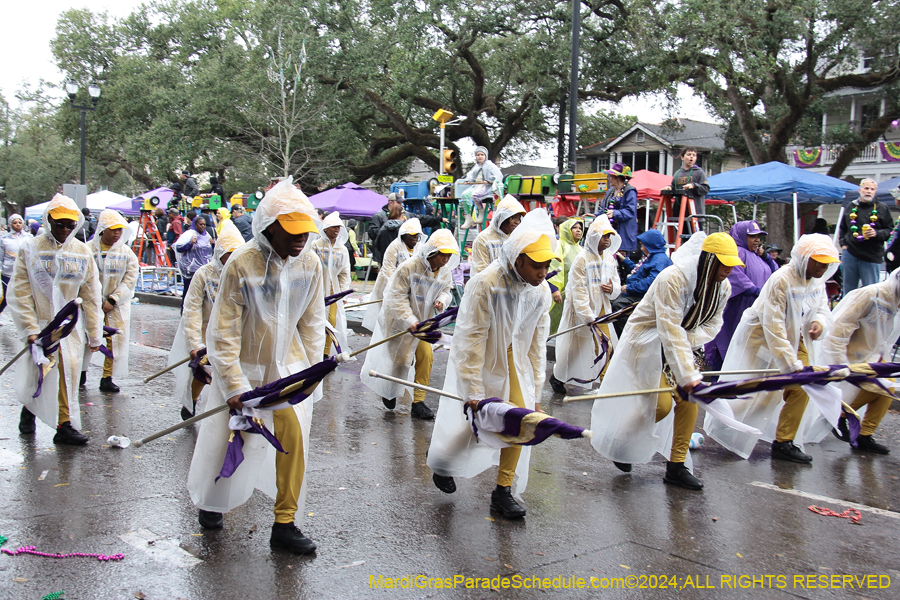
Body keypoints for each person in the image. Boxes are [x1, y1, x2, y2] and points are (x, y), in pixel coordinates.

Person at [186, 177, 325, 554]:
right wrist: (233, 385)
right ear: (268, 228)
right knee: (231, 441)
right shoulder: (242, 264)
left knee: (293, 442)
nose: (300, 238)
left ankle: (285, 522)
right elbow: (223, 331)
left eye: (305, 231)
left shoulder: (310, 263)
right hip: (245, 369)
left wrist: (312, 376)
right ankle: (213, 501)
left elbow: (313, 323)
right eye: (291, 231)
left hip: (291, 369)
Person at [427, 209, 557, 519]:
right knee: (476, 425)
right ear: (518, 259)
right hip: (483, 359)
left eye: (547, 265)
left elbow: (537, 345)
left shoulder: (540, 294)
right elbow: (469, 340)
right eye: (536, 266)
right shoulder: (486, 284)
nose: (543, 273)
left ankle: (503, 491)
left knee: (521, 420)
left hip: (516, 360)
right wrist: (472, 388)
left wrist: (536, 387)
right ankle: (445, 463)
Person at [590, 232, 742, 490]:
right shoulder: (674, 279)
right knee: (659, 405)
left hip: (683, 346)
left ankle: (677, 465)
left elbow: (713, 323)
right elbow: (670, 329)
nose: (728, 270)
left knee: (689, 401)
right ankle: (620, 443)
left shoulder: (723, 287)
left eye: (732, 264)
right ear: (708, 260)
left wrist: (689, 356)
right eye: (723, 263)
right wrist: (688, 374)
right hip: (648, 342)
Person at [704, 234, 840, 463]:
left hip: (796, 340)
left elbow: (822, 308)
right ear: (805, 259)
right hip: (763, 340)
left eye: (827, 262)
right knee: (757, 391)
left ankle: (785, 441)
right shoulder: (782, 280)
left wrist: (819, 322)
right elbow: (774, 327)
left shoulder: (816, 282)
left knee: (802, 387)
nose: (823, 267)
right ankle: (726, 424)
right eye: (818, 261)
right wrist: (790, 365)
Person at [8, 194, 103, 445]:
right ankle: (29, 410)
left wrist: (95, 332)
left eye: (69, 225)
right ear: (48, 220)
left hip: (68, 330)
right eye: (59, 224)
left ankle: (64, 424)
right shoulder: (30, 249)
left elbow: (91, 296)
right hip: (40, 325)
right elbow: (20, 291)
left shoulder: (82, 252)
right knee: (39, 374)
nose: (64, 229)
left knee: (66, 375)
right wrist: (29, 328)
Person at [360, 229, 459, 420]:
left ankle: (418, 401)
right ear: (432, 252)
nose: (445, 260)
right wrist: (409, 320)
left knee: (425, 355)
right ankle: (389, 390)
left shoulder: (444, 272)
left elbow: (447, 289)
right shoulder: (408, 268)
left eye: (449, 256)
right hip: (400, 323)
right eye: (442, 255)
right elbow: (396, 298)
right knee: (399, 360)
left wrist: (442, 300)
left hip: (423, 325)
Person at [168, 221, 245, 420]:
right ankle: (192, 401)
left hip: (236, 333)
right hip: (207, 332)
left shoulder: (246, 274)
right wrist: (195, 343)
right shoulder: (204, 274)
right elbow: (192, 308)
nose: (233, 259)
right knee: (202, 371)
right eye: (229, 254)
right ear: (219, 253)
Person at [819, 269, 900, 455]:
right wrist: (840, 362)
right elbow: (841, 325)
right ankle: (841, 413)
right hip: (850, 355)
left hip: (872, 355)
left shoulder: (895, 302)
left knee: (888, 388)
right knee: (883, 387)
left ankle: (864, 435)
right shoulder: (871, 295)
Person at [551, 215, 621, 394]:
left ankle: (606, 383)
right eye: (604, 236)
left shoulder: (610, 259)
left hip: (603, 310)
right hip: (582, 313)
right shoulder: (582, 259)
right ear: (595, 237)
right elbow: (578, 291)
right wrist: (588, 316)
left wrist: (612, 288)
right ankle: (558, 376)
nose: (607, 241)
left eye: (609, 237)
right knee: (574, 348)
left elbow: (616, 284)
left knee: (607, 345)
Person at [704, 221, 778, 371]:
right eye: (752, 236)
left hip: (756, 311)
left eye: (758, 236)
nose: (757, 240)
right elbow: (735, 276)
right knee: (731, 347)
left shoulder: (758, 256)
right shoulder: (737, 252)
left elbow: (776, 273)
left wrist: (767, 258)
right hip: (737, 310)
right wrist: (755, 290)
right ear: (742, 236)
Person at [82, 210, 139, 393]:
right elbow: (82, 278)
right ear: (103, 229)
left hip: (115, 305)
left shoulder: (126, 253)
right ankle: (81, 371)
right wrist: (94, 300)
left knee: (114, 340)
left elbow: (130, 278)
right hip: (90, 303)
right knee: (85, 337)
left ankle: (107, 377)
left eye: (119, 230)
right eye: (113, 229)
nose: (116, 233)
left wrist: (113, 299)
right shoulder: (87, 250)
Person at [362, 218, 423, 332]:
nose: (415, 237)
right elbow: (388, 271)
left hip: (411, 289)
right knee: (390, 320)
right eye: (412, 235)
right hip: (391, 288)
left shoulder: (419, 248)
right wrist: (398, 290)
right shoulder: (394, 247)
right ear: (404, 235)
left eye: (417, 235)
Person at [609, 229, 672, 336]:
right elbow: (638, 271)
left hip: (645, 296)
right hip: (636, 292)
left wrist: (628, 288)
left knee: (617, 306)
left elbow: (651, 282)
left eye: (643, 246)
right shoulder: (652, 257)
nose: (642, 249)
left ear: (650, 245)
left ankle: (626, 337)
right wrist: (624, 260)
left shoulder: (660, 260)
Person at [839, 179, 893, 296]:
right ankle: (848, 314)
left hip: (871, 255)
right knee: (848, 291)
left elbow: (890, 231)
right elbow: (843, 228)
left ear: (875, 191)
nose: (868, 192)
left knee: (871, 292)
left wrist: (876, 233)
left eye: (872, 189)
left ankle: (870, 314)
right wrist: (843, 244)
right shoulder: (851, 206)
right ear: (860, 190)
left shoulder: (882, 208)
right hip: (850, 253)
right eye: (866, 188)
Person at [311, 212, 352, 357]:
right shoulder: (315, 246)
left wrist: (343, 292)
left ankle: (326, 353)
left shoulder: (342, 250)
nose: (336, 230)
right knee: (315, 320)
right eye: (333, 227)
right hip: (316, 290)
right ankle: (314, 350)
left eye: (339, 227)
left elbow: (344, 273)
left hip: (333, 291)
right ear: (325, 228)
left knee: (331, 321)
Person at [368, 193, 443, 264]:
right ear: (390, 203)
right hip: (384, 256)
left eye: (401, 203)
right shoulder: (379, 216)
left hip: (402, 256)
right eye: (398, 203)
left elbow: (422, 219)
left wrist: (438, 219)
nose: (401, 205)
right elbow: (373, 234)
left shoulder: (406, 214)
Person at [469, 195, 526, 278]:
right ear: (503, 217)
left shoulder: (516, 239)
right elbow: (480, 273)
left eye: (518, 219)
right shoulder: (483, 239)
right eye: (513, 218)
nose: (517, 222)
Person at [548, 218, 584, 334]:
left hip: (576, 294)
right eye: (574, 228)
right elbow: (554, 266)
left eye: (580, 228)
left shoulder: (581, 249)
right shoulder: (560, 246)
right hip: (561, 294)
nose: (578, 231)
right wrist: (554, 289)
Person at [174, 215, 214, 314]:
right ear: (195, 224)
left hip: (204, 270)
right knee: (189, 291)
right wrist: (190, 243)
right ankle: (185, 311)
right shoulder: (190, 234)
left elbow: (209, 251)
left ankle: (198, 313)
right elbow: (178, 248)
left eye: (204, 224)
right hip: (191, 270)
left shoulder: (207, 235)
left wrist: (213, 244)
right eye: (200, 224)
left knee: (202, 292)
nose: (203, 226)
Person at [662, 147, 710, 223]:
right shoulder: (677, 173)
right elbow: (674, 188)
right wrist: (670, 188)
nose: (691, 157)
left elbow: (705, 189)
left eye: (694, 155)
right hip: (679, 213)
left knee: (694, 235)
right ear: (682, 157)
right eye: (689, 154)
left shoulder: (699, 172)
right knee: (679, 235)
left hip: (695, 214)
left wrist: (694, 186)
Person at [599, 163, 638, 255]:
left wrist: (615, 213)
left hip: (623, 235)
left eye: (611, 176)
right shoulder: (610, 191)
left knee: (621, 264)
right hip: (608, 234)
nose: (609, 179)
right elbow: (604, 209)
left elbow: (630, 212)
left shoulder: (630, 191)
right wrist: (594, 215)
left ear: (618, 178)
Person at [460, 146, 503, 225]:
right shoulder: (476, 166)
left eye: (482, 155)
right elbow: (470, 175)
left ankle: (481, 211)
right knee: (464, 195)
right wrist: (468, 180)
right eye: (478, 155)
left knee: (475, 195)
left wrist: (489, 180)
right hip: (476, 186)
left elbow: (498, 175)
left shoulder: (490, 165)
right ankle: (468, 217)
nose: (480, 156)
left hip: (486, 187)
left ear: (485, 156)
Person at [0, 214, 30, 316]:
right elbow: (1, 256)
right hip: (8, 272)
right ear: (10, 224)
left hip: (24, 272)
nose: (18, 225)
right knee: (7, 297)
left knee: (24, 296)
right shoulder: (4, 239)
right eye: (15, 223)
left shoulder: (29, 237)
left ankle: (25, 319)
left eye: (20, 222)